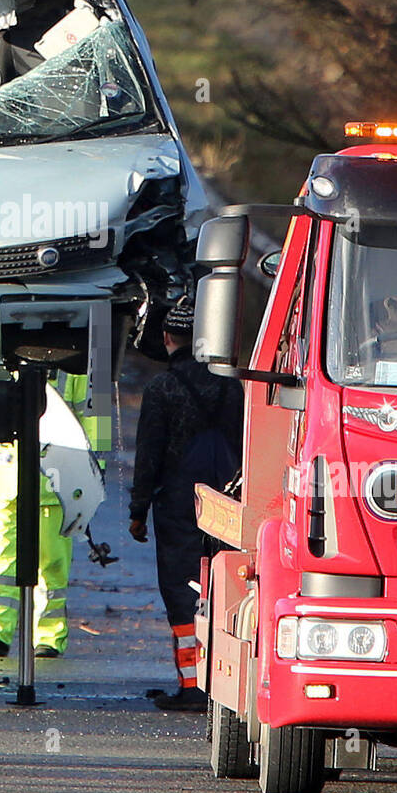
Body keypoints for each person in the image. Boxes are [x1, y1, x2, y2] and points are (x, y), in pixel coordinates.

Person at [129, 302, 244, 711]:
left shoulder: (164, 387)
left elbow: (149, 454)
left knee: (182, 590)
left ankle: (193, 687)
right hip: (230, 499)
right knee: (226, 586)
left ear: (166, 339)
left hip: (179, 502)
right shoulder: (233, 385)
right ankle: (226, 686)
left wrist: (137, 510)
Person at [0, 371, 105, 658]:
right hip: (3, 475)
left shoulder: (79, 352)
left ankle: (48, 635)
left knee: (51, 561)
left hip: (53, 481)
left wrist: (95, 466)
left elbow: (95, 411)